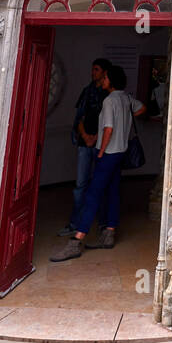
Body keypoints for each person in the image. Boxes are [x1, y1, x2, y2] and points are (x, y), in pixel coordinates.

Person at [50, 64, 146, 258]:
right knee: (112, 192)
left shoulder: (110, 101)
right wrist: (127, 119)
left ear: (111, 81)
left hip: (108, 154)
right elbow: (142, 108)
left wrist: (101, 152)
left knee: (92, 195)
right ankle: (109, 233)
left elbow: (108, 129)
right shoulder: (126, 98)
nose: (102, 80)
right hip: (121, 153)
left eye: (105, 78)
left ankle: (76, 241)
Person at [57, 58, 110, 237]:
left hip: (102, 145)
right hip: (85, 143)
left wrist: (96, 138)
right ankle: (75, 223)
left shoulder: (109, 95)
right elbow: (79, 117)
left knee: (101, 184)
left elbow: (109, 123)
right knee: (80, 185)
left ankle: (103, 225)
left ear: (105, 72)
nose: (92, 73)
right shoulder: (87, 92)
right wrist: (86, 137)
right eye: (92, 69)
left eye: (96, 69)